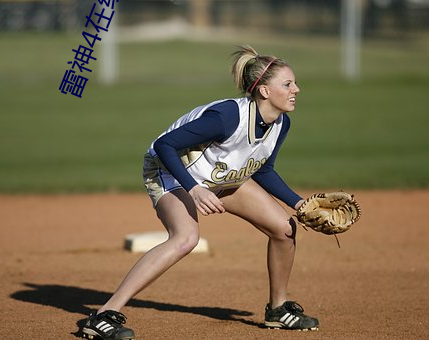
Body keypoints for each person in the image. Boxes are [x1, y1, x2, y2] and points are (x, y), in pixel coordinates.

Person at [82, 45, 319, 340]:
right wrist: (193, 189)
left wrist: (300, 204)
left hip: (218, 177)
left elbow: (263, 169)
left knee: (284, 228)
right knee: (186, 238)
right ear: (265, 92)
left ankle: (279, 309)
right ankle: (103, 315)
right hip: (170, 172)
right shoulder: (226, 117)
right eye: (287, 84)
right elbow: (164, 146)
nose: (297, 88)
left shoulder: (280, 123)